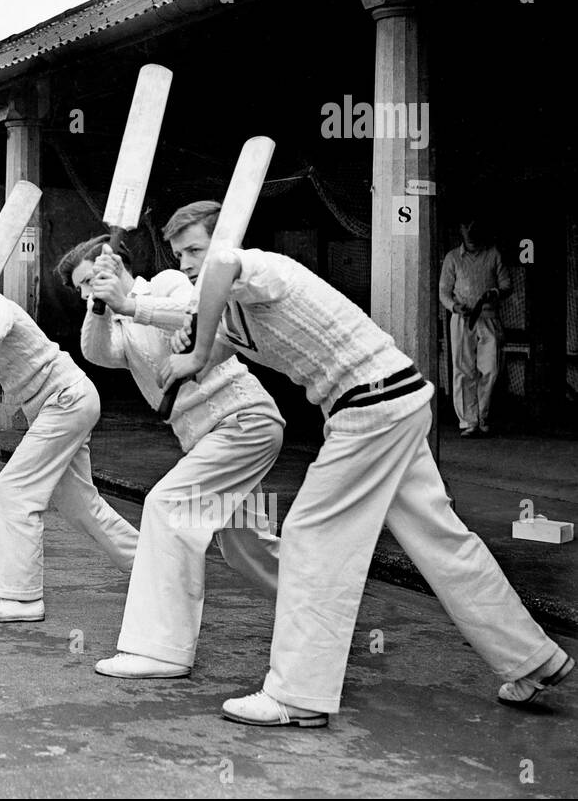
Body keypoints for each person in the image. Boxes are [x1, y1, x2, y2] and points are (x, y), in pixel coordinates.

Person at [159, 200, 571, 727]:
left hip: (371, 406)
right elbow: (214, 342)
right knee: (442, 541)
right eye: (179, 254)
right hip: (396, 400)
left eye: (195, 249)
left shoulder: (261, 267)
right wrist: (188, 349)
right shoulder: (233, 307)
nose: (189, 263)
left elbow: (221, 270)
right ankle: (533, 658)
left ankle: (299, 695)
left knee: (310, 534)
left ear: (225, 241)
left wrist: (193, 350)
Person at [55, 230, 281, 679]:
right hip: (211, 437)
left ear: (118, 266)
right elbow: (96, 353)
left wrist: (129, 301)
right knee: (245, 547)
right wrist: (103, 307)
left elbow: (198, 318)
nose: (85, 292)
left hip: (242, 418)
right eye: (81, 287)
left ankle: (161, 650)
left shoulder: (166, 284)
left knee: (166, 506)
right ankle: (326, 608)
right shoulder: (117, 324)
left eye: (89, 280)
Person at [0, 249, 138, 623]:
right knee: (78, 503)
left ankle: (20, 597)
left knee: (13, 489)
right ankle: (154, 567)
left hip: (66, 396)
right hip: (51, 408)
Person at [439, 218, 513, 437]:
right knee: (463, 369)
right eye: (465, 226)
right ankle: (468, 422)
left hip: (488, 317)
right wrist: (454, 306)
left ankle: (482, 416)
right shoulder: (453, 257)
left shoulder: (493, 254)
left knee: (490, 369)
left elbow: (507, 285)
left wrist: (496, 293)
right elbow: (444, 291)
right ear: (459, 229)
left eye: (473, 225)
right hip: (462, 319)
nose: (470, 231)